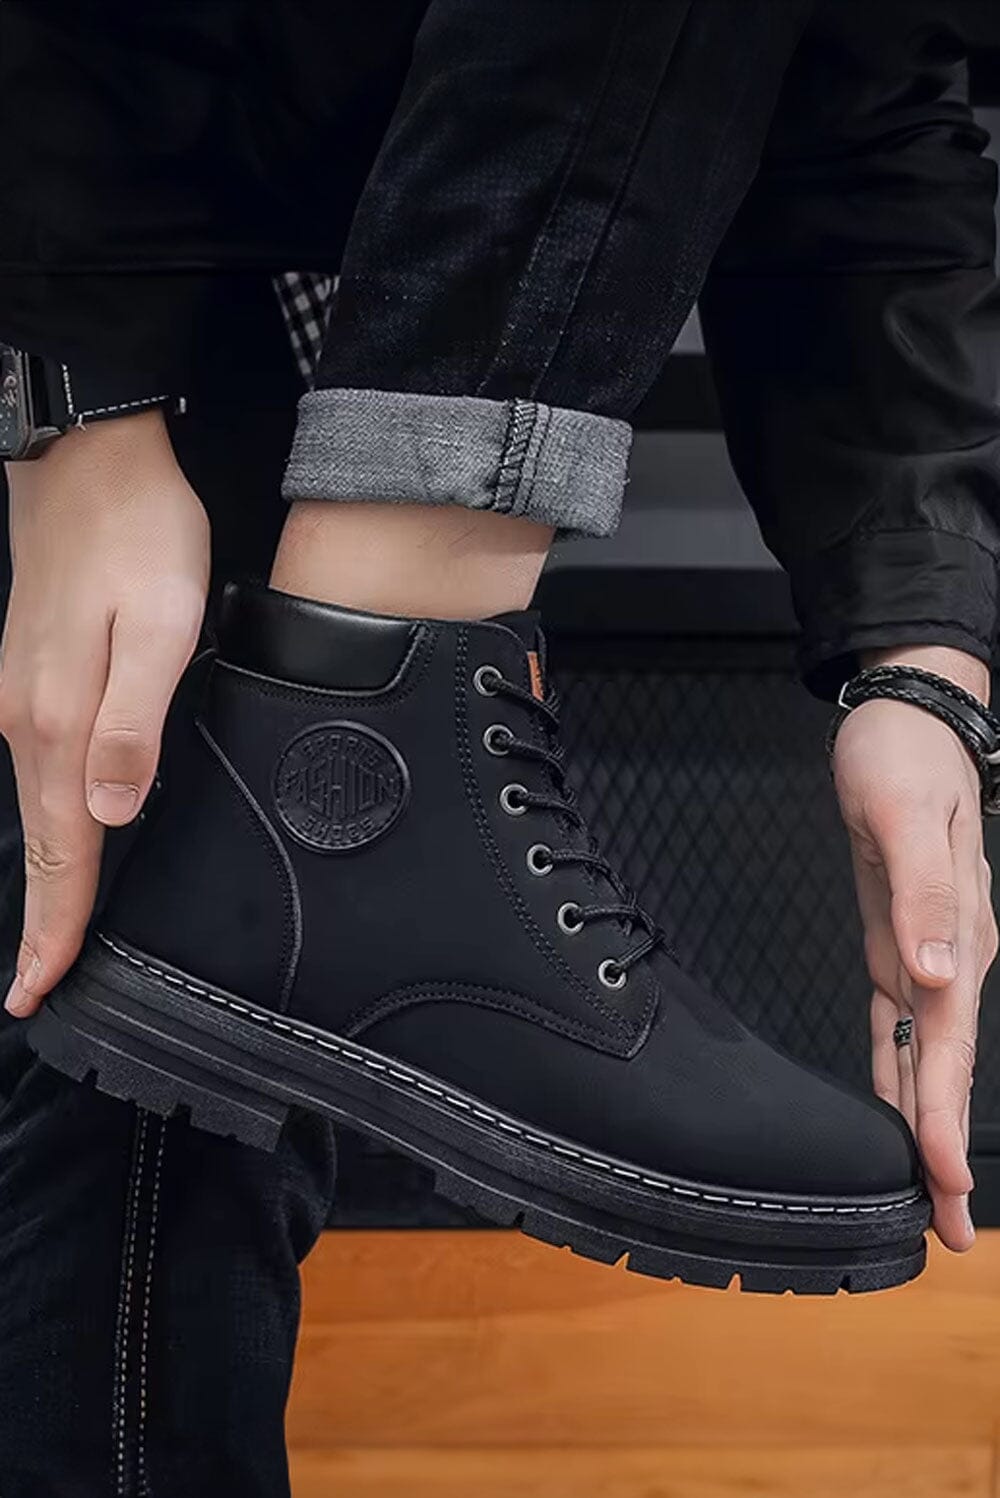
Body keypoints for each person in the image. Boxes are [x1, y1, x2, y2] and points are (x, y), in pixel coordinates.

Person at [1, 1, 999, 1492]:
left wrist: (921, 655)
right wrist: (74, 395)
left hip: (396, 319)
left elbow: (859, 93)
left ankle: (362, 690)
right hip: (93, 228)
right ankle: (367, 687)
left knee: (173, 1095)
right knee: (69, 1072)